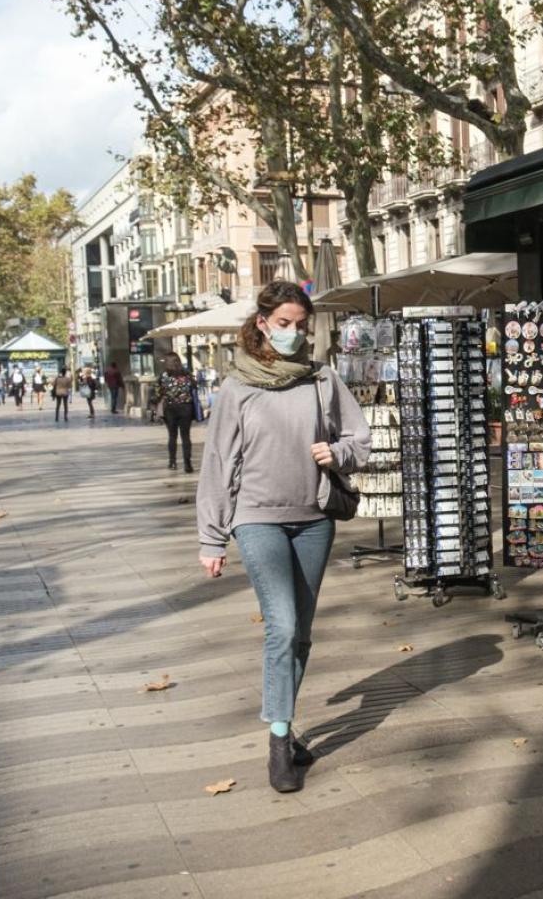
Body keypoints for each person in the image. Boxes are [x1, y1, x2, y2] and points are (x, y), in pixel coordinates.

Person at [197, 280, 371, 793]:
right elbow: (217, 464)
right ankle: (278, 741)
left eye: (301, 325)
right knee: (283, 623)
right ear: (262, 323)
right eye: (284, 324)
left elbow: (359, 438)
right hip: (256, 517)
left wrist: (335, 455)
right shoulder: (237, 387)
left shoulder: (322, 379)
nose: (294, 333)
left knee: (302, 632)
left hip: (314, 517)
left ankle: (286, 725)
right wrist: (211, 538)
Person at [149, 353, 199, 471]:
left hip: (170, 408)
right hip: (186, 407)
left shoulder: (164, 376)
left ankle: (172, 462)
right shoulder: (187, 374)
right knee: (186, 436)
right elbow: (194, 387)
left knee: (172, 436)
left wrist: (153, 402)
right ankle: (188, 464)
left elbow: (157, 393)